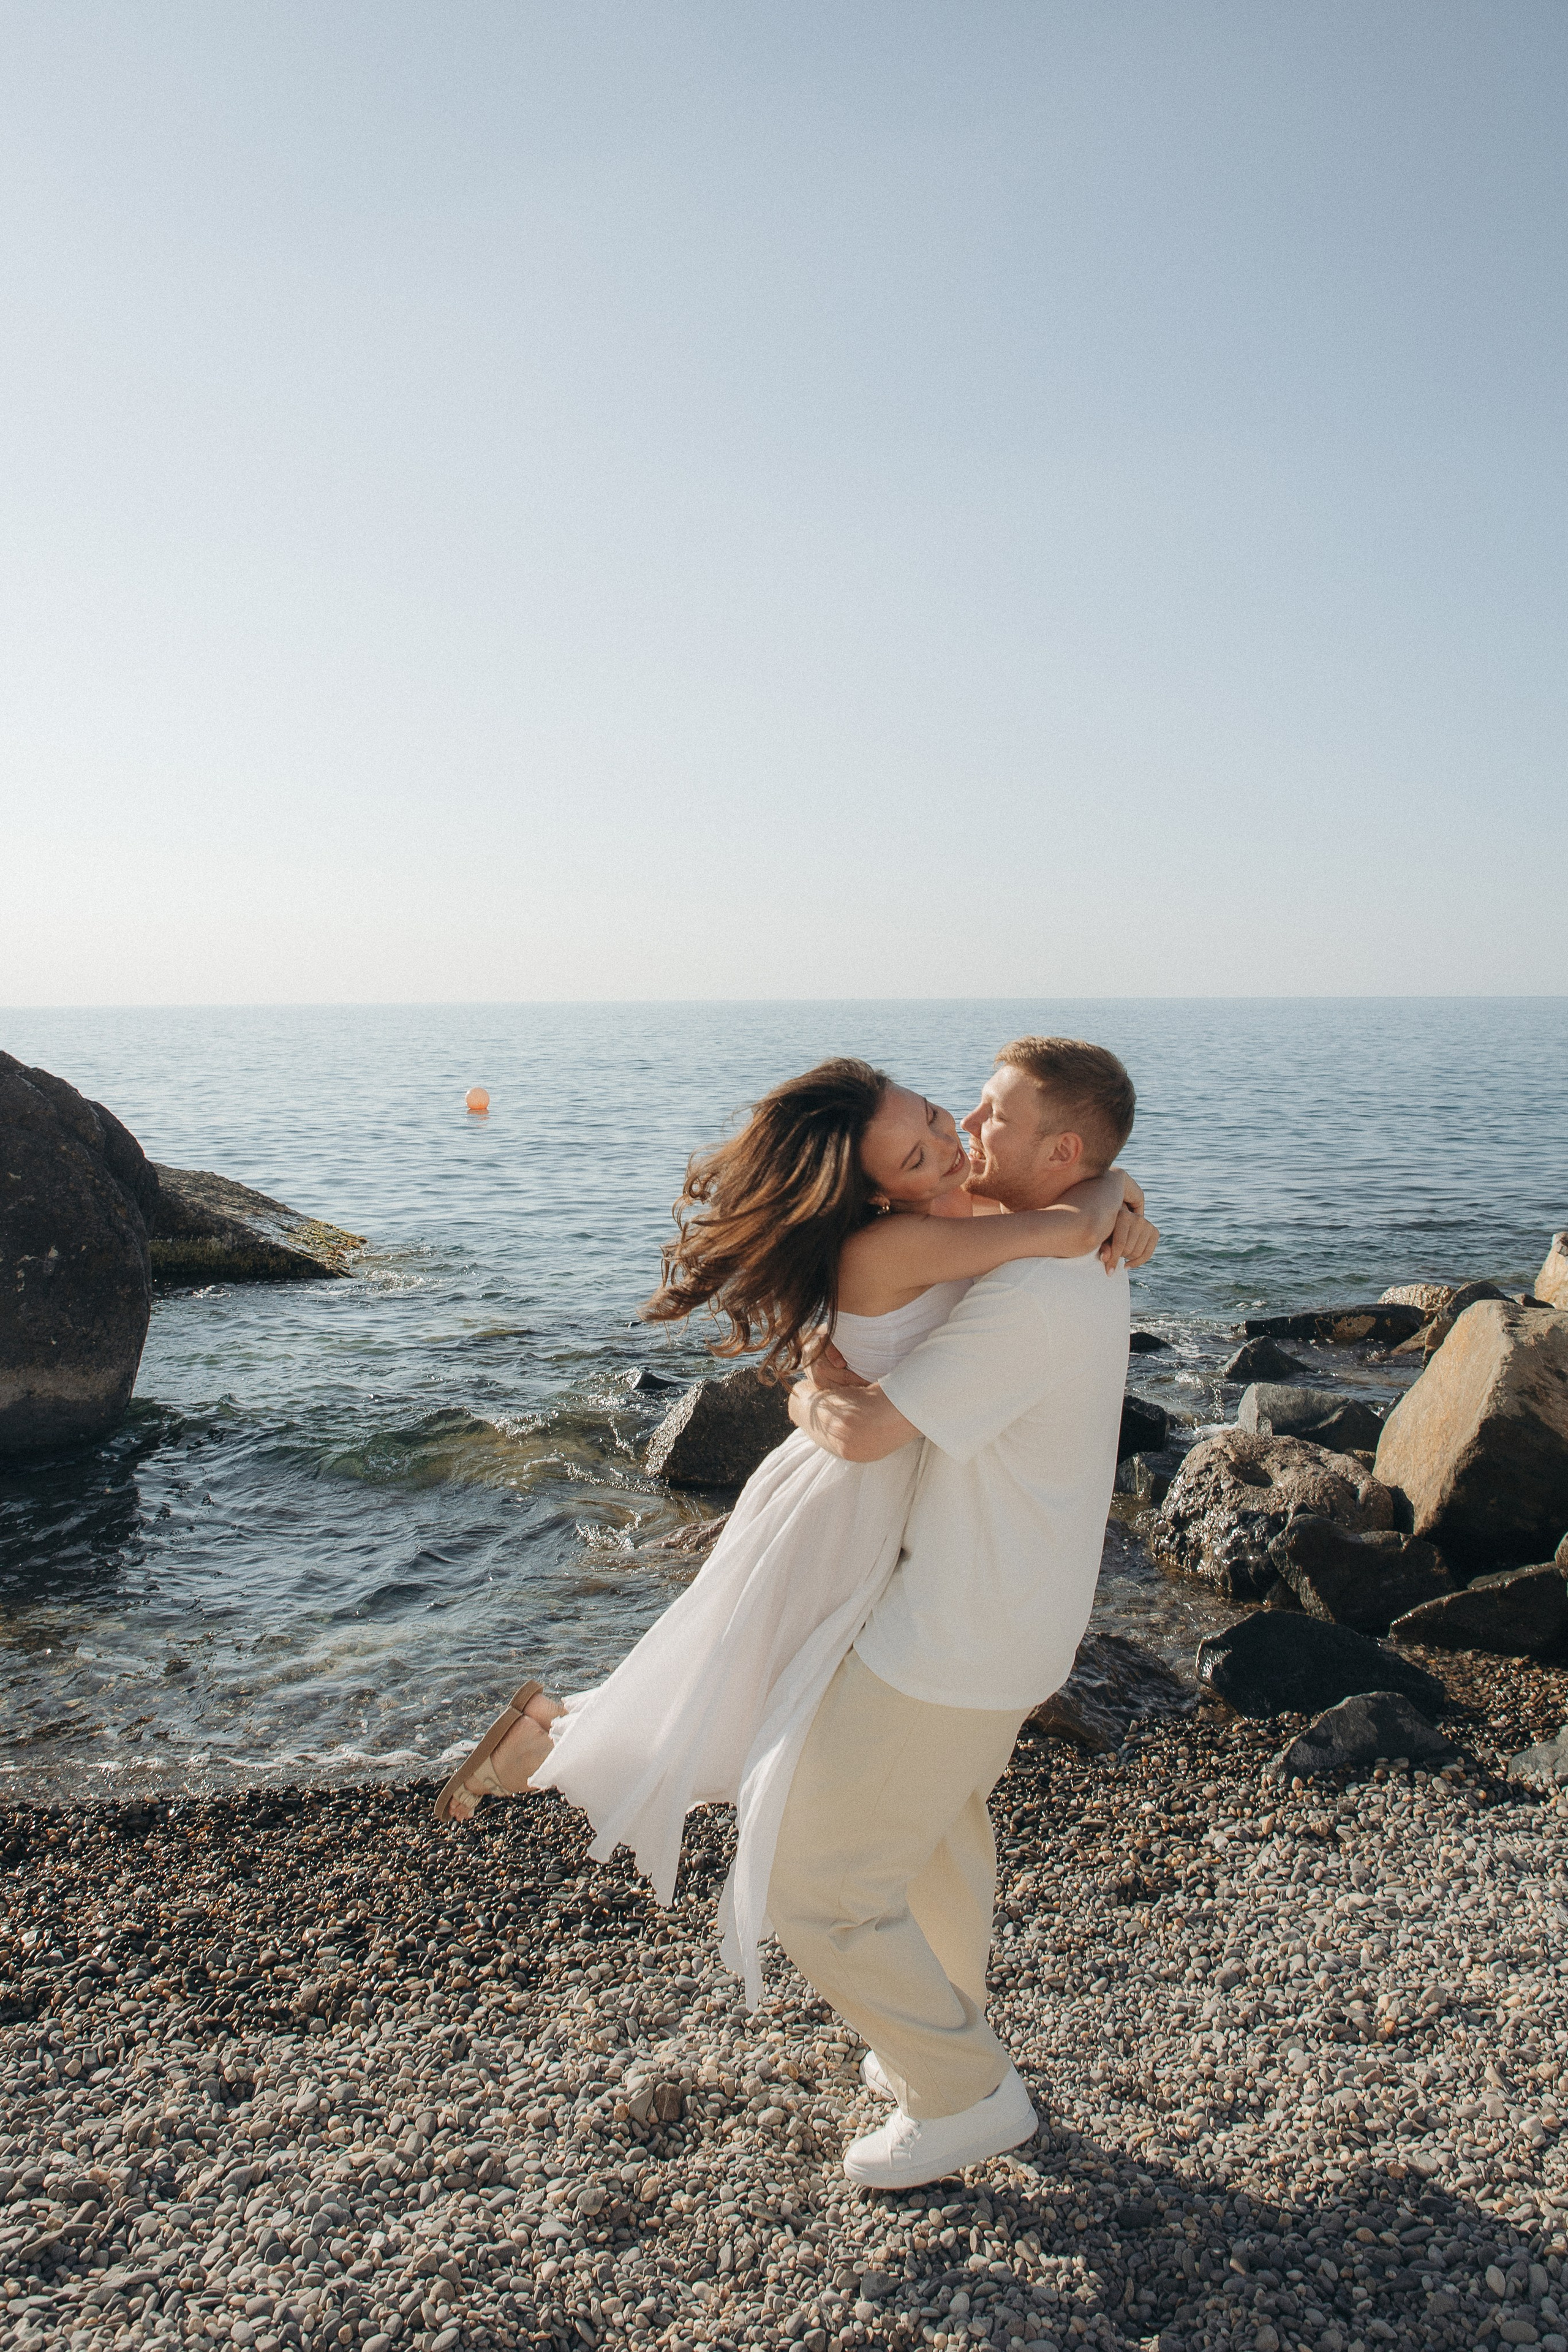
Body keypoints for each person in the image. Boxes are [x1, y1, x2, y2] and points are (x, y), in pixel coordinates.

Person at [434, 1052, 1157, 2016]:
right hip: (843, 1500)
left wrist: (1116, 1187)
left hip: (881, 1495)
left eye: (947, 1117)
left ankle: (553, 1735)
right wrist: (1106, 1198)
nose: (954, 1140)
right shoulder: (896, 1243)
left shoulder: (952, 1212)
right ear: (874, 1192)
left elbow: (1069, 1209)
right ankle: (553, 1747)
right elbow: (1065, 1225)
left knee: (752, 1685)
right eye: (920, 1150)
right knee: (748, 1690)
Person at [770, 1037, 1139, 2189]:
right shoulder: (1063, 1237)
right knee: (934, 1835)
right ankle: (934, 2025)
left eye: (989, 1113)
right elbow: (1077, 1197)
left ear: (1060, 1150)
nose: (971, 1128)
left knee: (812, 1886)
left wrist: (808, 1377)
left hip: (957, 1628)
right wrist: (1113, 1193)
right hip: (1012, 1613)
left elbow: (872, 1430)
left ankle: (964, 2091)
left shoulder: (1032, 1290)